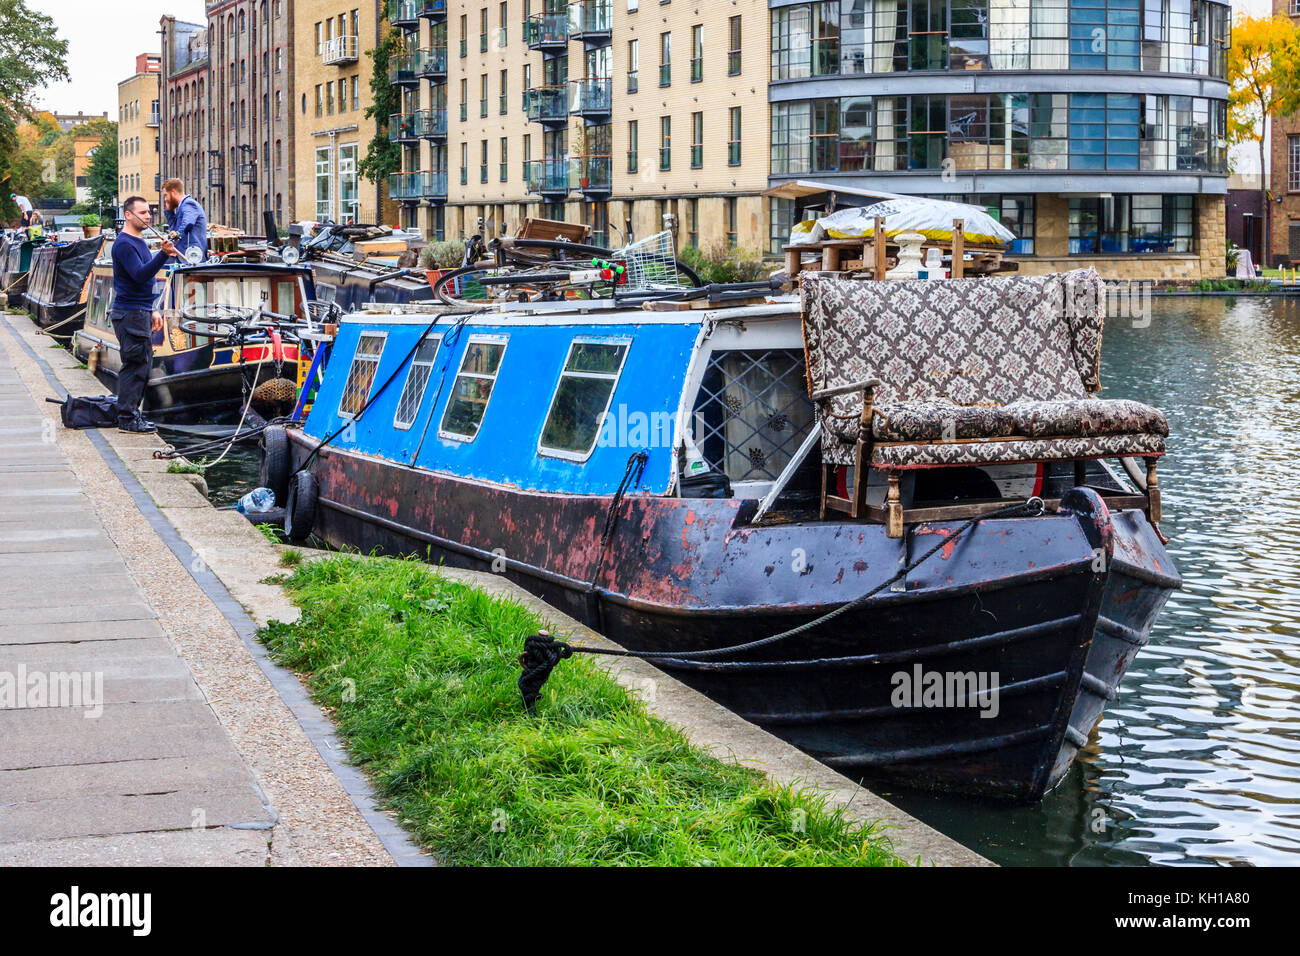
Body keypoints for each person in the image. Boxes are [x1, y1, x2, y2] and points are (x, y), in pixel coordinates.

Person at [111, 196, 176, 432]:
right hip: (129, 314)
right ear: (128, 215)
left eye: (149, 212)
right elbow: (139, 275)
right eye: (143, 212)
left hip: (139, 311)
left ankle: (132, 415)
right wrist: (163, 254)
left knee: (143, 364)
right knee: (135, 365)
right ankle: (127, 419)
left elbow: (145, 282)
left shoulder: (139, 242)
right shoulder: (124, 244)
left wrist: (153, 309)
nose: (148, 216)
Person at [161, 178, 207, 261]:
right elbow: (173, 228)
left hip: (191, 255)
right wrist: (169, 211)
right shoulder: (181, 207)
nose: (165, 199)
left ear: (173, 192)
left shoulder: (189, 203)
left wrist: (173, 237)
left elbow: (188, 224)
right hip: (182, 254)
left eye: (166, 195)